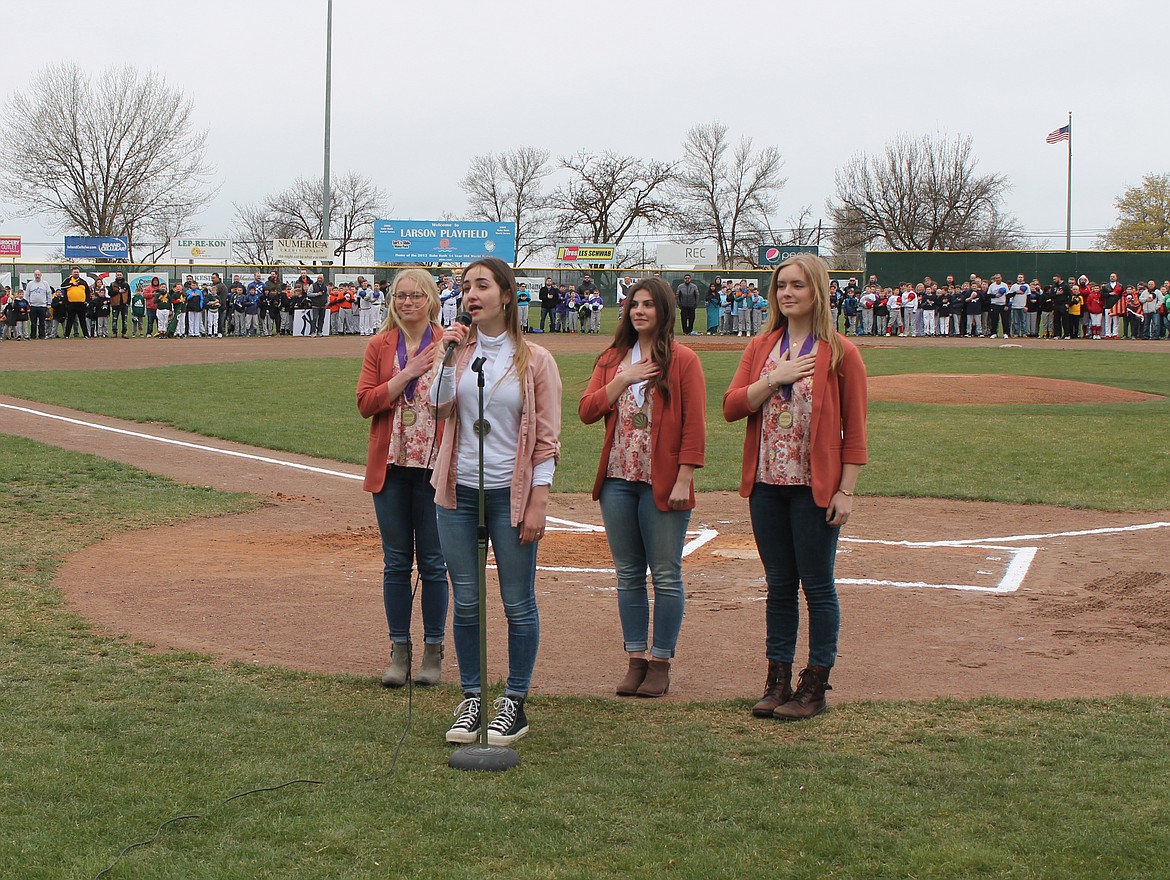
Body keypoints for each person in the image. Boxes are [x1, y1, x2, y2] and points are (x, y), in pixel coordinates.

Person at [723, 253, 868, 722]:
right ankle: (777, 679)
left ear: (817, 292)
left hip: (814, 487)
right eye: (781, 285)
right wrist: (773, 379)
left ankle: (815, 684)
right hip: (767, 484)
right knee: (780, 585)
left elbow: (856, 430)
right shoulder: (762, 348)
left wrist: (846, 490)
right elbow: (731, 407)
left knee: (818, 586)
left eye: (797, 286)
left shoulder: (841, 352)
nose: (787, 293)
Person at [430, 257, 562, 747]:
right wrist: (445, 358)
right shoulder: (457, 352)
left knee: (516, 602)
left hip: (512, 493)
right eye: (466, 287)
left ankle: (514, 701)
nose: (471, 295)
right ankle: (471, 699)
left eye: (482, 286)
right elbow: (438, 408)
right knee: (466, 601)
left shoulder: (536, 361)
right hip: (457, 492)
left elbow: (547, 439)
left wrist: (538, 501)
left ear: (506, 295)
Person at [578, 277, 706, 697]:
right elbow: (586, 411)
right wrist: (621, 378)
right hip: (618, 479)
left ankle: (661, 662)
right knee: (628, 573)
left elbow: (694, 426)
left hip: (663, 481)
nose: (640, 311)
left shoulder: (683, 360)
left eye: (649, 305)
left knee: (666, 574)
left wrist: (685, 477)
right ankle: (635, 659)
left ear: (664, 311)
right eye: (634, 304)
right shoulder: (613, 358)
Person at [357, 268, 449, 689]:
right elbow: (365, 403)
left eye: (416, 296)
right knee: (396, 563)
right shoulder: (380, 345)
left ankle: (433, 650)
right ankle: (399, 650)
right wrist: (406, 374)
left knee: (433, 563)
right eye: (400, 296)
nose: (407, 302)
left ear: (431, 299)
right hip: (392, 467)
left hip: (435, 469)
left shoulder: (451, 343)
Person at [62, 267, 91, 338]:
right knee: (70, 320)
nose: (76, 273)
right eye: (74, 272)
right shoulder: (68, 280)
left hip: (81, 304)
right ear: (72, 273)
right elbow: (62, 287)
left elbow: (87, 292)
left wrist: (87, 301)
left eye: (77, 272)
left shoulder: (83, 281)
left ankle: (86, 335)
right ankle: (67, 335)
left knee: (82, 320)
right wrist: (72, 284)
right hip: (71, 304)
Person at [24, 270, 52, 340]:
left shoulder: (45, 283)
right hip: (33, 306)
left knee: (42, 322)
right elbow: (27, 294)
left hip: (42, 306)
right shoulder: (30, 284)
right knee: (33, 322)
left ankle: (42, 335)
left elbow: (48, 293)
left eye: (38, 275)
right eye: (36, 275)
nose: (37, 276)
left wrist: (49, 303)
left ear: (41, 275)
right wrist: (28, 304)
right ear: (34, 275)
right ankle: (33, 335)